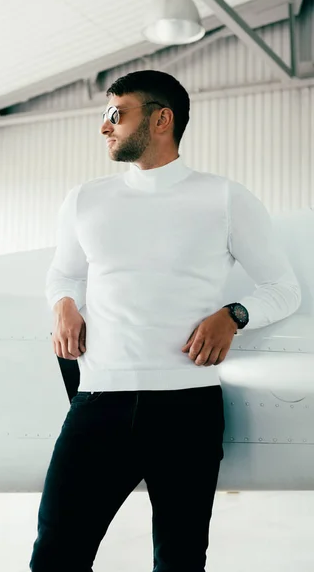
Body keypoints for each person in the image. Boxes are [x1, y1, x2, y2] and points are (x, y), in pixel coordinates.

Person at [29, 70, 301, 572]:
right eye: (104, 116)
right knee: (55, 556)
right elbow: (63, 274)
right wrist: (64, 302)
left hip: (187, 411)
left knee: (179, 563)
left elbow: (283, 290)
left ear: (161, 119)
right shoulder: (85, 200)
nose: (105, 127)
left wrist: (234, 315)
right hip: (98, 404)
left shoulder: (223, 198)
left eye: (117, 114)